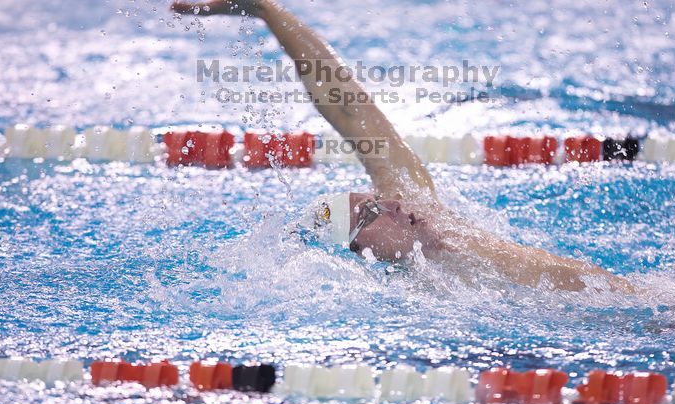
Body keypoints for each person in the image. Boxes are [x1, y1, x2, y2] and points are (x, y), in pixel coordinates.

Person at [172, 0, 634, 293]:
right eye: (372, 215)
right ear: (358, 254)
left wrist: (268, 10)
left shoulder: (420, 209)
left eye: (376, 200)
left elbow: (349, 108)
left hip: (643, 296)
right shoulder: (426, 292)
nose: (391, 204)